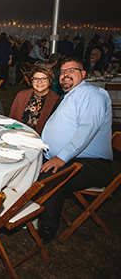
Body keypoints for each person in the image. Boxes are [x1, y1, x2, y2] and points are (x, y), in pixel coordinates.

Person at [38, 57, 113, 244]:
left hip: (92, 163)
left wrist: (62, 158)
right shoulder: (71, 95)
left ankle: (46, 229)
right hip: (70, 157)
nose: (65, 75)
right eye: (62, 72)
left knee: (51, 178)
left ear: (84, 74)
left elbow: (87, 129)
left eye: (71, 71)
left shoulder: (92, 94)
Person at [9, 66, 59, 134]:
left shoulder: (55, 101)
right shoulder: (22, 95)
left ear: (50, 81)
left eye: (44, 79)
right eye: (36, 79)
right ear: (32, 81)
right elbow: (12, 118)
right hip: (18, 134)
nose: (39, 82)